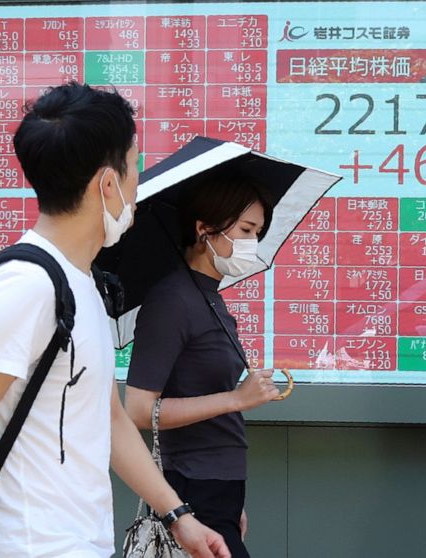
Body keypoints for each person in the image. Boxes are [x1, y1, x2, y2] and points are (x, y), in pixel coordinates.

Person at [0, 82, 230, 558]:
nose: (136, 186)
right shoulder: (24, 287)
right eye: (134, 166)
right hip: (27, 546)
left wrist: (178, 516)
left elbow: (108, 417)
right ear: (108, 184)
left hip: (81, 543)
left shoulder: (81, 282)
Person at [124, 167, 279, 558]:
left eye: (258, 232)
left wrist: (230, 502)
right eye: (245, 230)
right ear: (204, 229)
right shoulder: (172, 300)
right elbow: (139, 410)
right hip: (193, 485)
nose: (252, 242)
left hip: (219, 488)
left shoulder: (209, 297)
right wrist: (236, 399)